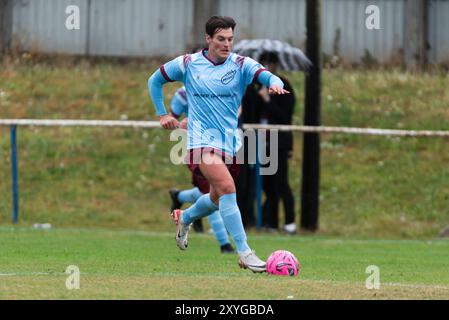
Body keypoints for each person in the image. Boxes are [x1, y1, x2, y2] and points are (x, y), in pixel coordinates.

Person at [148, 16, 289, 273]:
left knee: (215, 198)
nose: (227, 44)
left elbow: (265, 75)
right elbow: (154, 80)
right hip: (199, 140)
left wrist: (275, 83)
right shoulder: (188, 63)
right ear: (209, 39)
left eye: (230, 39)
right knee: (226, 187)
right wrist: (163, 114)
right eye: (221, 39)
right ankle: (244, 252)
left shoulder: (240, 64)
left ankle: (185, 217)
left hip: (229, 143)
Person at [168, 86, 236, 254]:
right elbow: (171, 119)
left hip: (223, 146)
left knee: (211, 192)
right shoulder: (183, 93)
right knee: (214, 192)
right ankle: (224, 244)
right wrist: (180, 125)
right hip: (198, 148)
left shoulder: (222, 85)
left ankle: (179, 197)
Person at [256, 51, 296, 234]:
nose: (266, 67)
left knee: (281, 183)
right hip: (258, 141)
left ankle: (290, 222)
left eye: (269, 64)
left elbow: (284, 116)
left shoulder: (283, 86)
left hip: (277, 141)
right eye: (262, 64)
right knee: (267, 185)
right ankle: (269, 223)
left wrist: (267, 99)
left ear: (275, 65)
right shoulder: (255, 86)